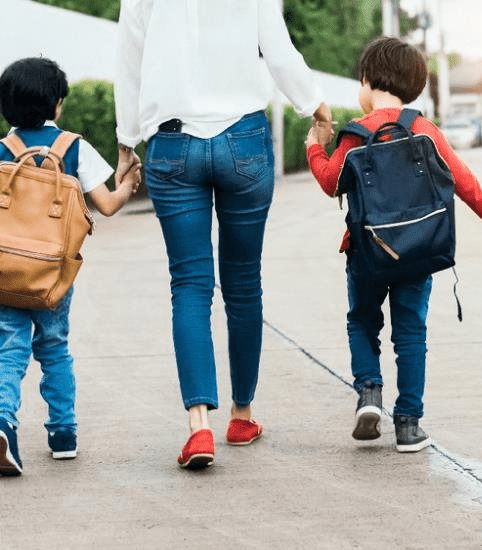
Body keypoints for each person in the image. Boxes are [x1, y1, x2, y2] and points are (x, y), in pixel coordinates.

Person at [114, 0, 332, 469]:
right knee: (242, 283)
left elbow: (129, 60)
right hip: (244, 140)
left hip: (171, 144)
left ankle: (198, 429)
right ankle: (242, 414)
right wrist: (313, 104)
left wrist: (125, 142)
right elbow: (277, 48)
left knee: (190, 285)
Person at [306, 37, 482, 453]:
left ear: (367, 81)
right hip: (418, 251)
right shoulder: (423, 129)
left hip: (366, 252)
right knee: (410, 334)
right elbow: (464, 182)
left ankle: (368, 393)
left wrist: (314, 144)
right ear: (415, 87)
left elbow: (332, 182)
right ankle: (408, 425)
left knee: (362, 322)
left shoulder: (356, 134)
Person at [0, 57, 140, 476]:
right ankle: (63, 435)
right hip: (54, 276)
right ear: (57, 104)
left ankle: (4, 421)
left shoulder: (2, 151)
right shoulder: (74, 147)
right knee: (55, 349)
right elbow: (109, 206)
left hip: (5, 273)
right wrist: (128, 180)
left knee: (8, 351)